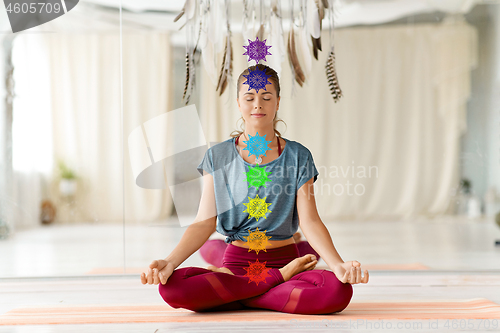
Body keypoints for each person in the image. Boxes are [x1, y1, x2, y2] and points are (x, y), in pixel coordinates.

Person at [141, 64, 369, 314]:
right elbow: (203, 223)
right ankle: (276, 282)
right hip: (238, 263)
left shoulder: (298, 156)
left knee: (338, 291)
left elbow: (310, 221)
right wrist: (169, 262)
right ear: (239, 103)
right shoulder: (217, 156)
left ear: (278, 102)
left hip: (284, 257)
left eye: (266, 97)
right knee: (172, 288)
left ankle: (237, 294)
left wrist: (337, 264)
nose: (258, 104)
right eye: (249, 97)